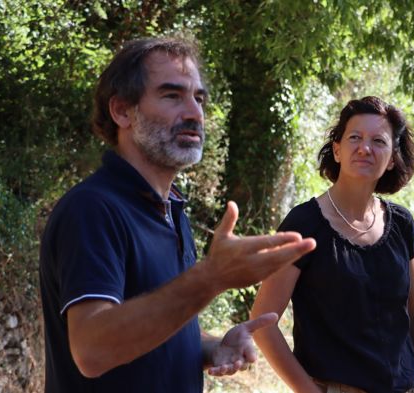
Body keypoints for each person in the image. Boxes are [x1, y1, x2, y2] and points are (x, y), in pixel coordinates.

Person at [38, 36, 316, 393]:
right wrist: (211, 278)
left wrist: (209, 346)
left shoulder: (171, 208)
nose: (194, 113)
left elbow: (154, 318)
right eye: (172, 96)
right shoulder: (93, 209)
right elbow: (92, 349)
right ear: (122, 111)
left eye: (198, 98)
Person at [251, 96, 414, 393]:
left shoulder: (401, 224)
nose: (365, 148)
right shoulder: (305, 224)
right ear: (337, 150)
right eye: (355, 137)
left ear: (392, 159)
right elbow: (262, 321)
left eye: (379, 141)